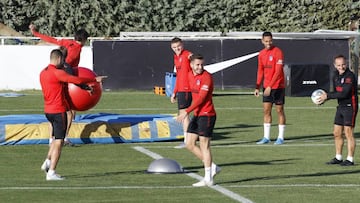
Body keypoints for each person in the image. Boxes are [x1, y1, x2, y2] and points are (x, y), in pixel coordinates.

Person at [40, 49, 106, 180]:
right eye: (62, 61)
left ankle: (47, 162)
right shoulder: (57, 73)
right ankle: (51, 172)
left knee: (54, 139)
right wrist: (93, 79)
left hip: (48, 111)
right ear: (58, 59)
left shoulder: (43, 72)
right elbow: (75, 79)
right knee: (59, 142)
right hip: (59, 111)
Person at [30, 23, 90, 145]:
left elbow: (51, 39)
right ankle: (64, 137)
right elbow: (67, 67)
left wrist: (35, 33)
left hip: (56, 79)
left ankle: (51, 138)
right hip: (64, 79)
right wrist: (83, 85)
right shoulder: (76, 50)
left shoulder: (67, 43)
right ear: (83, 40)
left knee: (54, 110)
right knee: (69, 111)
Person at [176, 54, 220, 187]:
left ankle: (208, 178)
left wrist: (186, 112)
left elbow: (201, 98)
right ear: (192, 65)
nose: (200, 67)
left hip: (207, 115)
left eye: (202, 64)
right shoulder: (190, 75)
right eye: (197, 65)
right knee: (189, 143)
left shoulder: (207, 77)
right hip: (197, 114)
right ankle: (212, 167)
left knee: (204, 145)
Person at [319, 55, 358, 166]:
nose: (341, 67)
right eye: (339, 65)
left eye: (343, 64)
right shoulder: (335, 75)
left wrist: (328, 96)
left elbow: (344, 93)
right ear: (335, 65)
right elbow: (336, 92)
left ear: (346, 64)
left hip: (350, 106)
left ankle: (350, 159)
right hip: (340, 106)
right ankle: (338, 157)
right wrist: (324, 99)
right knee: (336, 133)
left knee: (348, 133)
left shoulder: (350, 76)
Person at [254, 31, 286, 145]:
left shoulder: (278, 52)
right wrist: (257, 86)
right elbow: (260, 70)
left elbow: (278, 71)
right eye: (266, 41)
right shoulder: (261, 54)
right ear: (262, 41)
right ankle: (266, 137)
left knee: (279, 110)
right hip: (267, 86)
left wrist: (270, 86)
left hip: (278, 86)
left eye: (270, 41)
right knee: (266, 110)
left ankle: (280, 137)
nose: (268, 43)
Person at [170, 37, 193, 149]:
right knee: (184, 114)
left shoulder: (186, 54)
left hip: (187, 89)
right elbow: (179, 76)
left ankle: (187, 140)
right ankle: (189, 138)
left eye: (178, 46)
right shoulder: (176, 57)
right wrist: (174, 91)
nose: (177, 49)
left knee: (184, 115)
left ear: (182, 45)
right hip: (181, 89)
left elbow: (192, 57)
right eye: (174, 47)